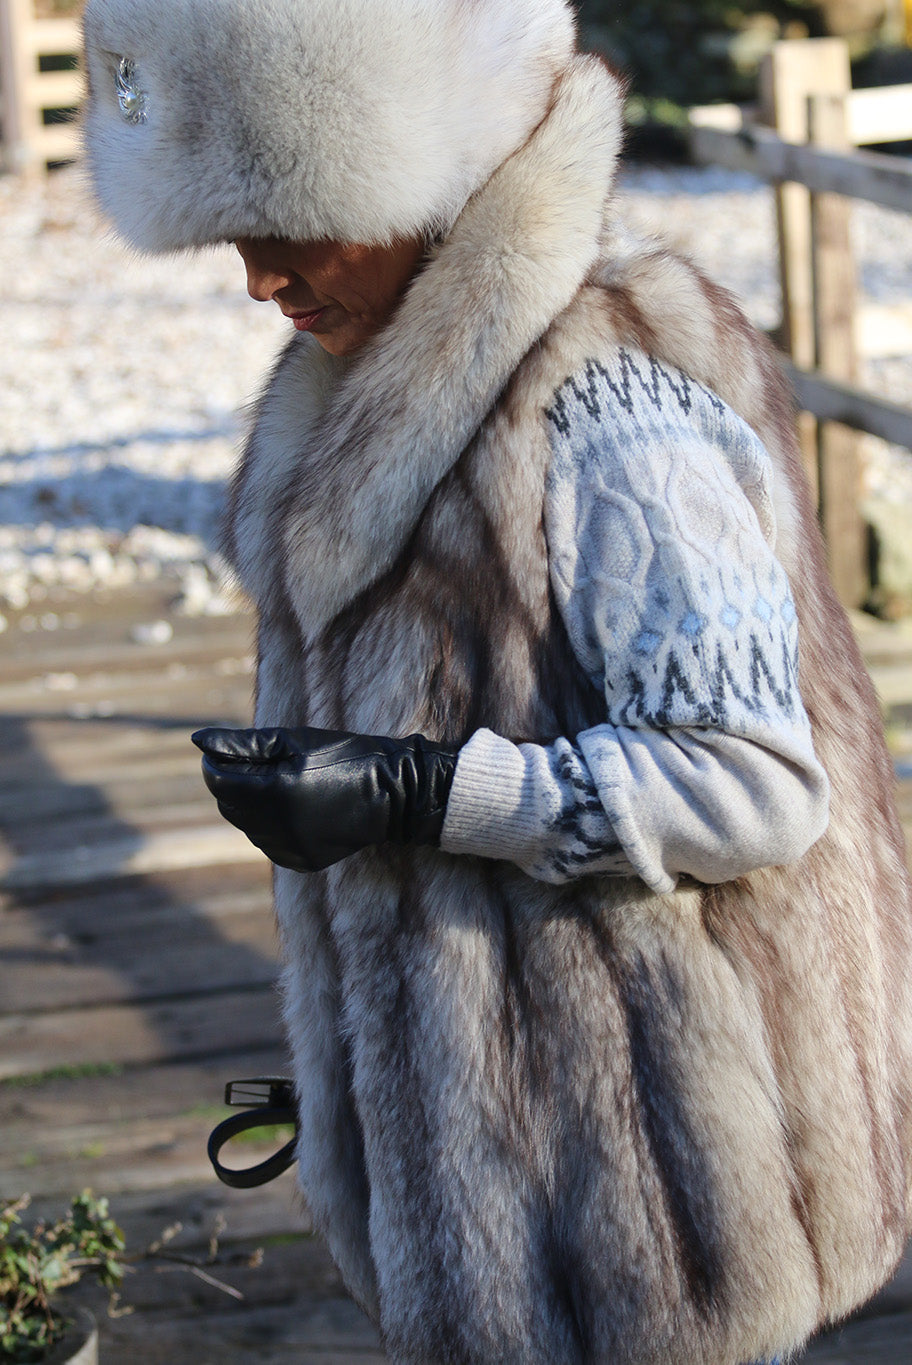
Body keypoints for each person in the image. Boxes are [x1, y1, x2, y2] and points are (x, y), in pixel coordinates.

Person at [81, 2, 912, 1362]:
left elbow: (754, 782)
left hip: (653, 1204)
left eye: (289, 222)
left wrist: (414, 793)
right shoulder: (356, 391)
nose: (261, 280)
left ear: (421, 175)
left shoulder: (604, 403)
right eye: (231, 236)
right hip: (504, 1180)